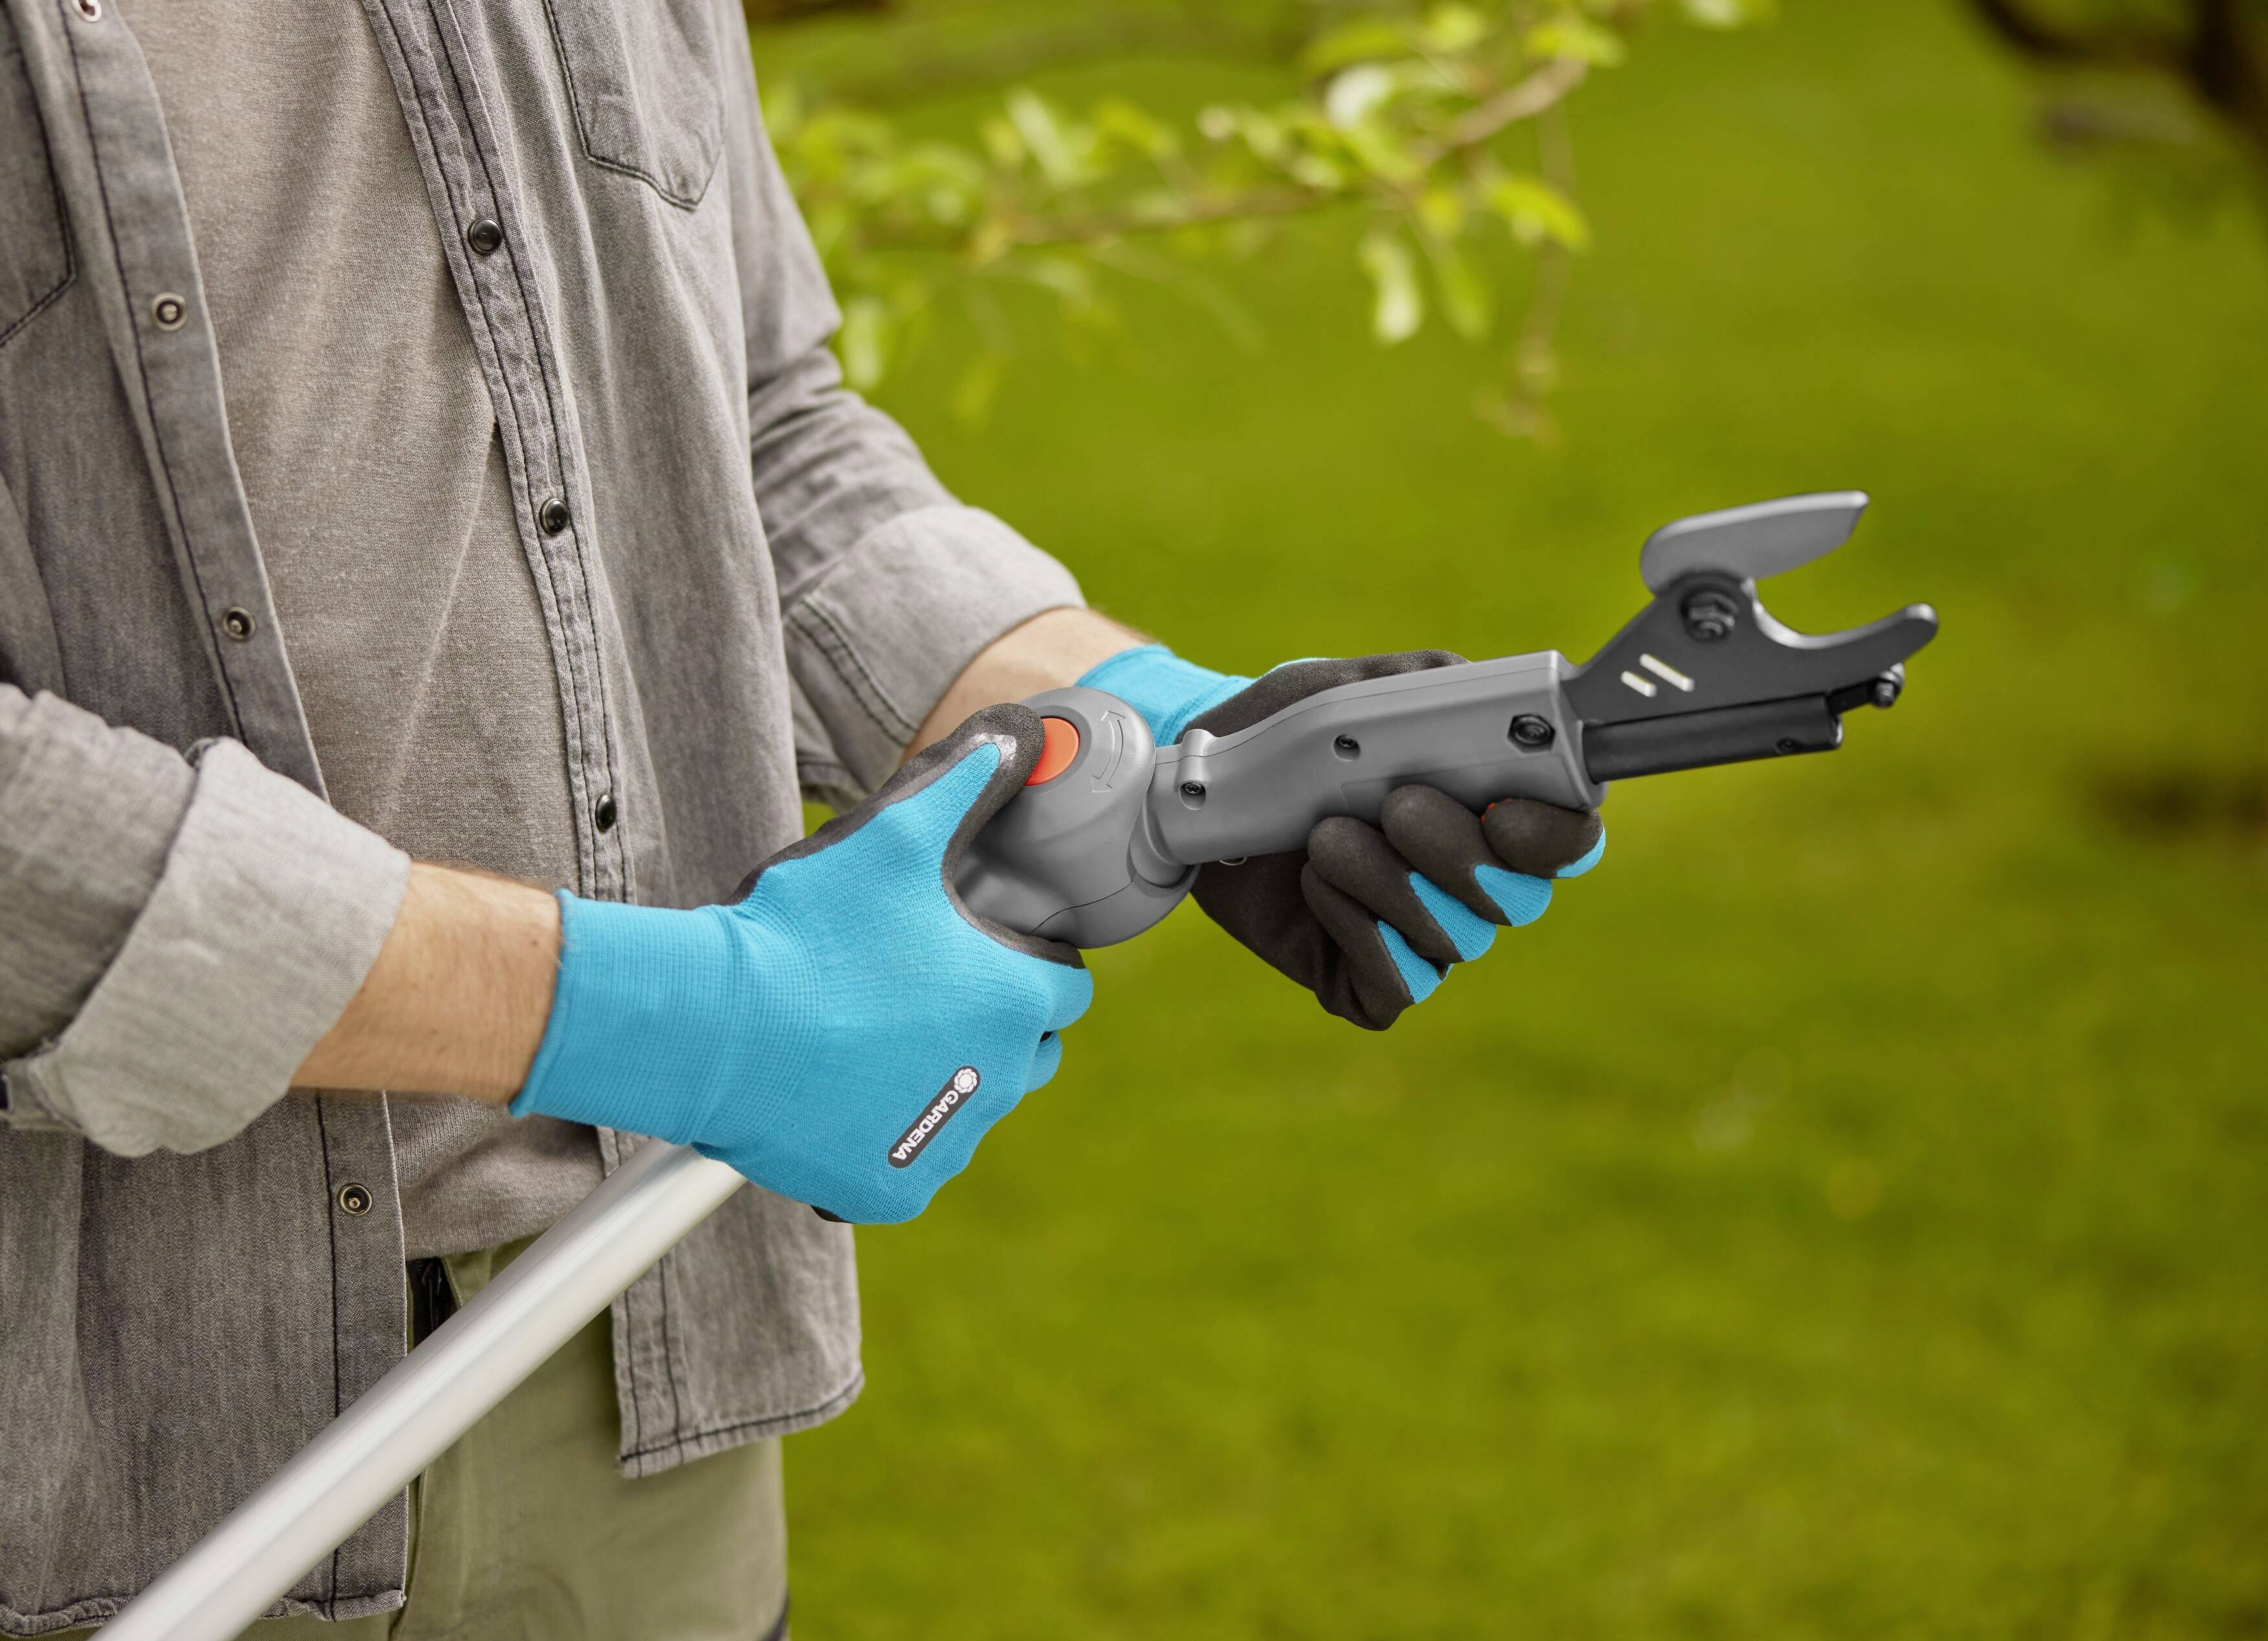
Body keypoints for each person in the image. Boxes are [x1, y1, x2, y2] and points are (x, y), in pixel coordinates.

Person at [0, 1, 1604, 1635]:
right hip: (102, 1455)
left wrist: (1148, 726)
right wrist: (661, 1016)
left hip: (626, 1369)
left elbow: (750, 416)